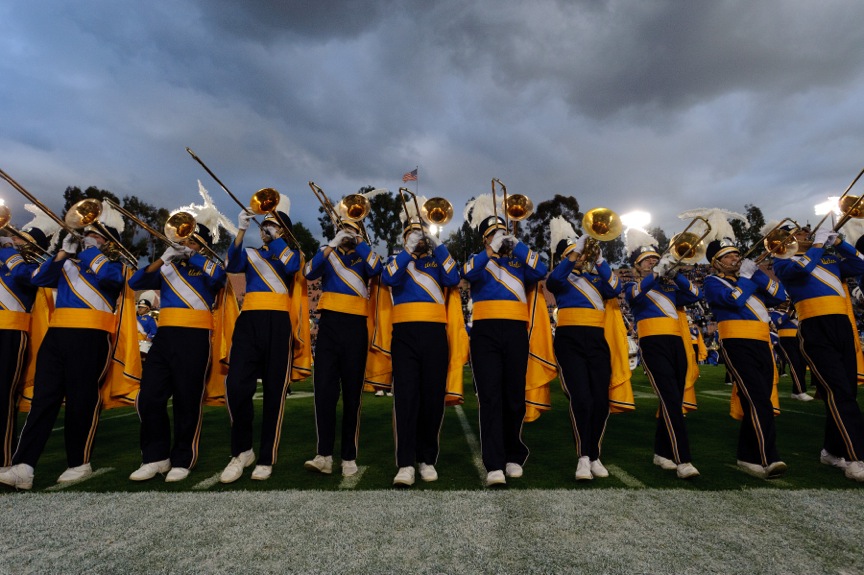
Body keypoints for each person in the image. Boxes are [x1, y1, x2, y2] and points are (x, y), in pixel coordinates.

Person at [0, 217, 125, 490]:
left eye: (95, 235)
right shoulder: (69, 262)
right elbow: (40, 279)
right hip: (57, 335)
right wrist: (64, 252)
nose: (87, 238)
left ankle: (79, 462)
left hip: (92, 335)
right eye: (86, 234)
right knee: (43, 400)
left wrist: (91, 250)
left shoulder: (115, 263)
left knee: (81, 399)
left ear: (109, 242)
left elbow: (112, 280)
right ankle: (24, 466)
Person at [127, 223, 226, 482]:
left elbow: (219, 279)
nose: (186, 244)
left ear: (203, 244)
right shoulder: (167, 266)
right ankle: (156, 457)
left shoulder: (209, 264)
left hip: (194, 335)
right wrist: (163, 257)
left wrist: (195, 256)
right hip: (165, 336)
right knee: (148, 397)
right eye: (185, 240)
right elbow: (135, 281)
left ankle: (183, 458)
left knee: (187, 399)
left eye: (192, 241)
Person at [462, 214, 547, 486]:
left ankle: (513, 454)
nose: (499, 236)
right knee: (490, 397)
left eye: (502, 232)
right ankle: (494, 463)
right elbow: (466, 273)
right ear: (485, 237)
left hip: (515, 331)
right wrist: (490, 250)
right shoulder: (480, 258)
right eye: (493, 233)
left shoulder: (519, 259)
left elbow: (540, 270)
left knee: (513, 397)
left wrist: (517, 244)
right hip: (485, 332)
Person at [774, 226, 864, 481]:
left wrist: (840, 243)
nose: (803, 235)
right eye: (796, 234)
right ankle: (856, 457)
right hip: (814, 327)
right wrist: (817, 246)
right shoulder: (782, 262)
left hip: (842, 325)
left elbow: (859, 266)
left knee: (847, 391)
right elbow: (801, 270)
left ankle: (832, 451)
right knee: (839, 391)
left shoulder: (829, 257)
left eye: (803, 232)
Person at [219, 206, 300, 483]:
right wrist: (241, 230)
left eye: (273, 225)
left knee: (275, 392)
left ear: (284, 231)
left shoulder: (290, 252)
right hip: (249, 321)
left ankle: (266, 457)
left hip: (278, 324)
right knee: (236, 385)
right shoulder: (252, 253)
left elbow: (292, 266)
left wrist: (277, 236)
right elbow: (231, 265)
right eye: (264, 225)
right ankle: (242, 451)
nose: (266, 229)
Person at [381, 219, 460, 486]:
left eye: (421, 234)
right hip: (404, 334)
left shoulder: (438, 260)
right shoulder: (397, 259)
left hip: (435, 333)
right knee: (405, 398)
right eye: (413, 234)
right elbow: (388, 277)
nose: (418, 238)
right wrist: (409, 251)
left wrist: (437, 244)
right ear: (405, 237)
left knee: (432, 398)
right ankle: (405, 463)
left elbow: (453, 277)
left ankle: (427, 459)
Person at [703, 238, 788, 479]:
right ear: (716, 262)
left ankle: (747, 455)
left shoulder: (748, 279)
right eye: (729, 256)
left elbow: (779, 294)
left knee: (759, 399)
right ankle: (768, 457)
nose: (735, 259)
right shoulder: (712, 281)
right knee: (758, 399)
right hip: (736, 342)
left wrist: (757, 273)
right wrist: (747, 278)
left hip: (762, 342)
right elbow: (734, 300)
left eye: (737, 254)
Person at [303, 220, 382, 476]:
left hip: (356, 327)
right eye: (344, 228)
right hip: (329, 327)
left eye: (352, 229)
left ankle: (349, 456)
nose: (347, 233)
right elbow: (308, 272)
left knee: (352, 394)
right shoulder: (329, 253)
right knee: (324, 391)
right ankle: (323, 454)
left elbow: (376, 268)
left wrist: (359, 242)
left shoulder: (364, 254)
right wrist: (331, 245)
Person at [624, 231, 702, 479]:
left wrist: (676, 273)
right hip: (652, 342)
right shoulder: (632, 285)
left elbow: (695, 296)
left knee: (673, 400)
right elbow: (635, 296)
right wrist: (656, 275)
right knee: (669, 399)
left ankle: (662, 452)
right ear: (637, 265)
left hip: (676, 342)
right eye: (647, 260)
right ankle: (683, 459)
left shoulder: (669, 284)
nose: (652, 262)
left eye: (655, 259)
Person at [546, 232, 622, 481]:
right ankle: (582, 458)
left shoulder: (596, 278)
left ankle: (594, 454)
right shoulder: (562, 276)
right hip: (569, 340)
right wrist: (573, 254)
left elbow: (615, 288)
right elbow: (553, 281)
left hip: (597, 340)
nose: (579, 257)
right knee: (581, 398)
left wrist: (600, 260)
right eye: (572, 253)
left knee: (600, 400)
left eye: (580, 253)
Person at [0, 225, 51, 469]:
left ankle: (3, 458)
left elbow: (23, 277)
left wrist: (9, 251)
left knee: (2, 395)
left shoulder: (32, 267)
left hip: (10, 331)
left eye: (19, 237)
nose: (12, 237)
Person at [770, 302, 812, 401]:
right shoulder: (774, 313)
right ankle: (800, 391)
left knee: (802, 364)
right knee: (795, 364)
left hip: (798, 338)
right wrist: (789, 312)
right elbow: (778, 322)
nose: (786, 303)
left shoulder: (795, 312)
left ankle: (796, 392)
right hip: (786, 338)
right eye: (784, 302)